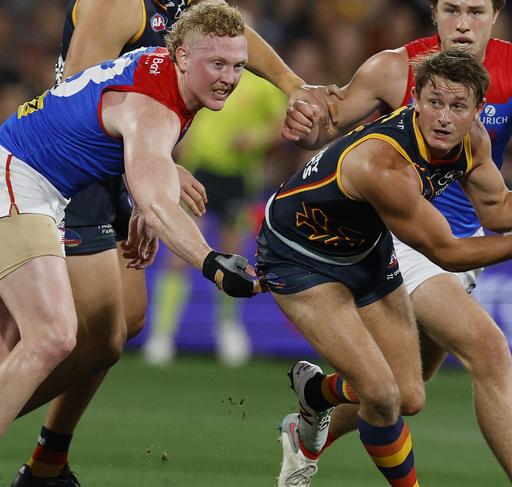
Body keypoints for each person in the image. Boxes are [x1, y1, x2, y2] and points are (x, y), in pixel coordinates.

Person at [7, 0, 334, 485]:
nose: (229, 77)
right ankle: (45, 465)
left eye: (237, 66)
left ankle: (47, 463)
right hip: (27, 179)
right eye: (217, 65)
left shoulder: (177, 60)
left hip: (55, 179)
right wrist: (212, 261)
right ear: (180, 55)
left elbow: (224, 36)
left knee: (83, 334)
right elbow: (156, 192)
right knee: (54, 336)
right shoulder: (153, 92)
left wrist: (291, 85)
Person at [279, 1, 512, 486]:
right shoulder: (392, 67)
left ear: (497, 14)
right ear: (434, 13)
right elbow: (330, 120)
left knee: (406, 387)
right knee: (489, 351)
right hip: (400, 239)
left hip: (461, 242)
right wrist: (307, 127)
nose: (463, 23)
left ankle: (314, 411)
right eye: (451, 9)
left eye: (475, 10)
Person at [143, 69, 286, 367]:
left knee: (232, 252)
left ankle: (227, 327)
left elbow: (280, 122)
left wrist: (257, 137)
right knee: (180, 252)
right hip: (200, 168)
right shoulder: (204, 72)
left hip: (238, 175)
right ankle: (162, 334)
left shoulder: (261, 85)